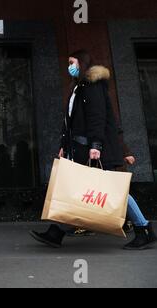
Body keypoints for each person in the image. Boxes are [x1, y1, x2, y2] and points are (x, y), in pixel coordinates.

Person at [30, 49, 156, 250]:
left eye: (72, 62)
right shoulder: (78, 87)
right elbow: (70, 122)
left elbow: (98, 117)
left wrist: (96, 145)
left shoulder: (92, 86)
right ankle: (57, 232)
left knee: (114, 190)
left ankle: (144, 228)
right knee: (81, 191)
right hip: (79, 147)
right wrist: (63, 146)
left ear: (81, 63)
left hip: (94, 148)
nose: (69, 66)